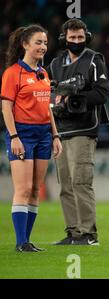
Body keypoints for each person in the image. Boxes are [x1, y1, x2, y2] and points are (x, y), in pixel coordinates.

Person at [48, 19, 109, 246]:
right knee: (65, 184)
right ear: (64, 38)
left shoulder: (94, 60)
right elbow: (47, 92)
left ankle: (88, 234)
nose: (76, 41)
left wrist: (74, 98)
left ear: (87, 37)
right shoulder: (55, 64)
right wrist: (56, 100)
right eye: (72, 38)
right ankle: (73, 232)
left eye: (80, 38)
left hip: (84, 129)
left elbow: (102, 93)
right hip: (61, 131)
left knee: (81, 182)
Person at [1, 24, 62, 252]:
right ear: (25, 44)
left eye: (45, 43)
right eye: (38, 42)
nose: (43, 47)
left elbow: (48, 108)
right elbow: (6, 108)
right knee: (23, 188)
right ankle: (20, 242)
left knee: (36, 189)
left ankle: (26, 241)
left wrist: (55, 135)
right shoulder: (12, 73)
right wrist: (14, 136)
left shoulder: (43, 74)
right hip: (23, 133)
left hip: (44, 134)